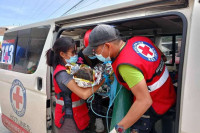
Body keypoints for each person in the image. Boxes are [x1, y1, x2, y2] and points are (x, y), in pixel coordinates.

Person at [83, 24, 176, 133]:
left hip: (155, 105)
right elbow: (163, 58)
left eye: (96, 51)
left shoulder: (125, 65)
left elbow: (144, 101)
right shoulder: (140, 39)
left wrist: (118, 129)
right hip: (169, 94)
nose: (95, 54)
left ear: (107, 46)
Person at [46, 37, 104, 133]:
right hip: (68, 119)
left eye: (76, 52)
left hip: (79, 116)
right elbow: (84, 95)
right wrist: (101, 82)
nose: (75, 55)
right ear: (62, 54)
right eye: (73, 52)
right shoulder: (62, 73)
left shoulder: (71, 67)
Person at [77, 29, 105, 133]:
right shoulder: (80, 56)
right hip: (86, 83)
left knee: (97, 99)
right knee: (86, 102)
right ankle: (87, 123)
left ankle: (98, 119)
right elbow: (79, 72)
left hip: (98, 83)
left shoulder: (100, 54)